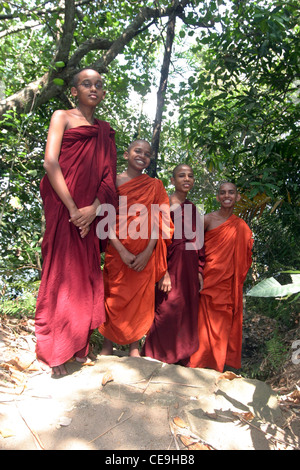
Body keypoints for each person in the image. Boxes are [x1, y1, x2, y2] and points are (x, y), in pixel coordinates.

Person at [35, 68, 117, 376]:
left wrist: (94, 209)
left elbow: (108, 178)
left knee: (84, 278)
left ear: (103, 93)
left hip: (90, 214)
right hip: (63, 207)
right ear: (74, 91)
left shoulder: (105, 131)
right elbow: (51, 162)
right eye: (86, 84)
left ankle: (79, 345)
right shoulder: (62, 117)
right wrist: (74, 209)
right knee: (60, 274)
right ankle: (54, 351)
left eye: (98, 85)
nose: (93, 88)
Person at [99, 139, 173, 357]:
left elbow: (161, 220)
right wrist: (122, 250)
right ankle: (107, 344)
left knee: (141, 299)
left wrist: (148, 251)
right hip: (117, 249)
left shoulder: (155, 186)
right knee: (113, 295)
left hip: (145, 252)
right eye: (137, 151)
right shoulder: (111, 183)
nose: (142, 155)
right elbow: (105, 218)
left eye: (147, 153)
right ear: (126, 154)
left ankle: (134, 347)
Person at [142, 164, 205, 365]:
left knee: (186, 312)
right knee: (166, 309)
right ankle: (156, 356)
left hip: (189, 269)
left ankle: (181, 358)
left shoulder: (193, 208)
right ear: (172, 180)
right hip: (169, 266)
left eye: (190, 175)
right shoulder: (163, 205)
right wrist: (163, 272)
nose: (187, 179)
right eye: (181, 175)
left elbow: (199, 242)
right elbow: (156, 242)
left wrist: (200, 270)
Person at [188, 182, 253, 372]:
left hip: (227, 284)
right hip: (207, 279)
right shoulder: (206, 220)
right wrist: (198, 272)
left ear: (237, 197)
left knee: (222, 325)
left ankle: (216, 366)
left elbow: (245, 258)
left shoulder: (241, 227)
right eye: (223, 192)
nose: (227, 196)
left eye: (231, 192)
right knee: (202, 323)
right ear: (217, 197)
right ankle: (197, 363)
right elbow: (192, 248)